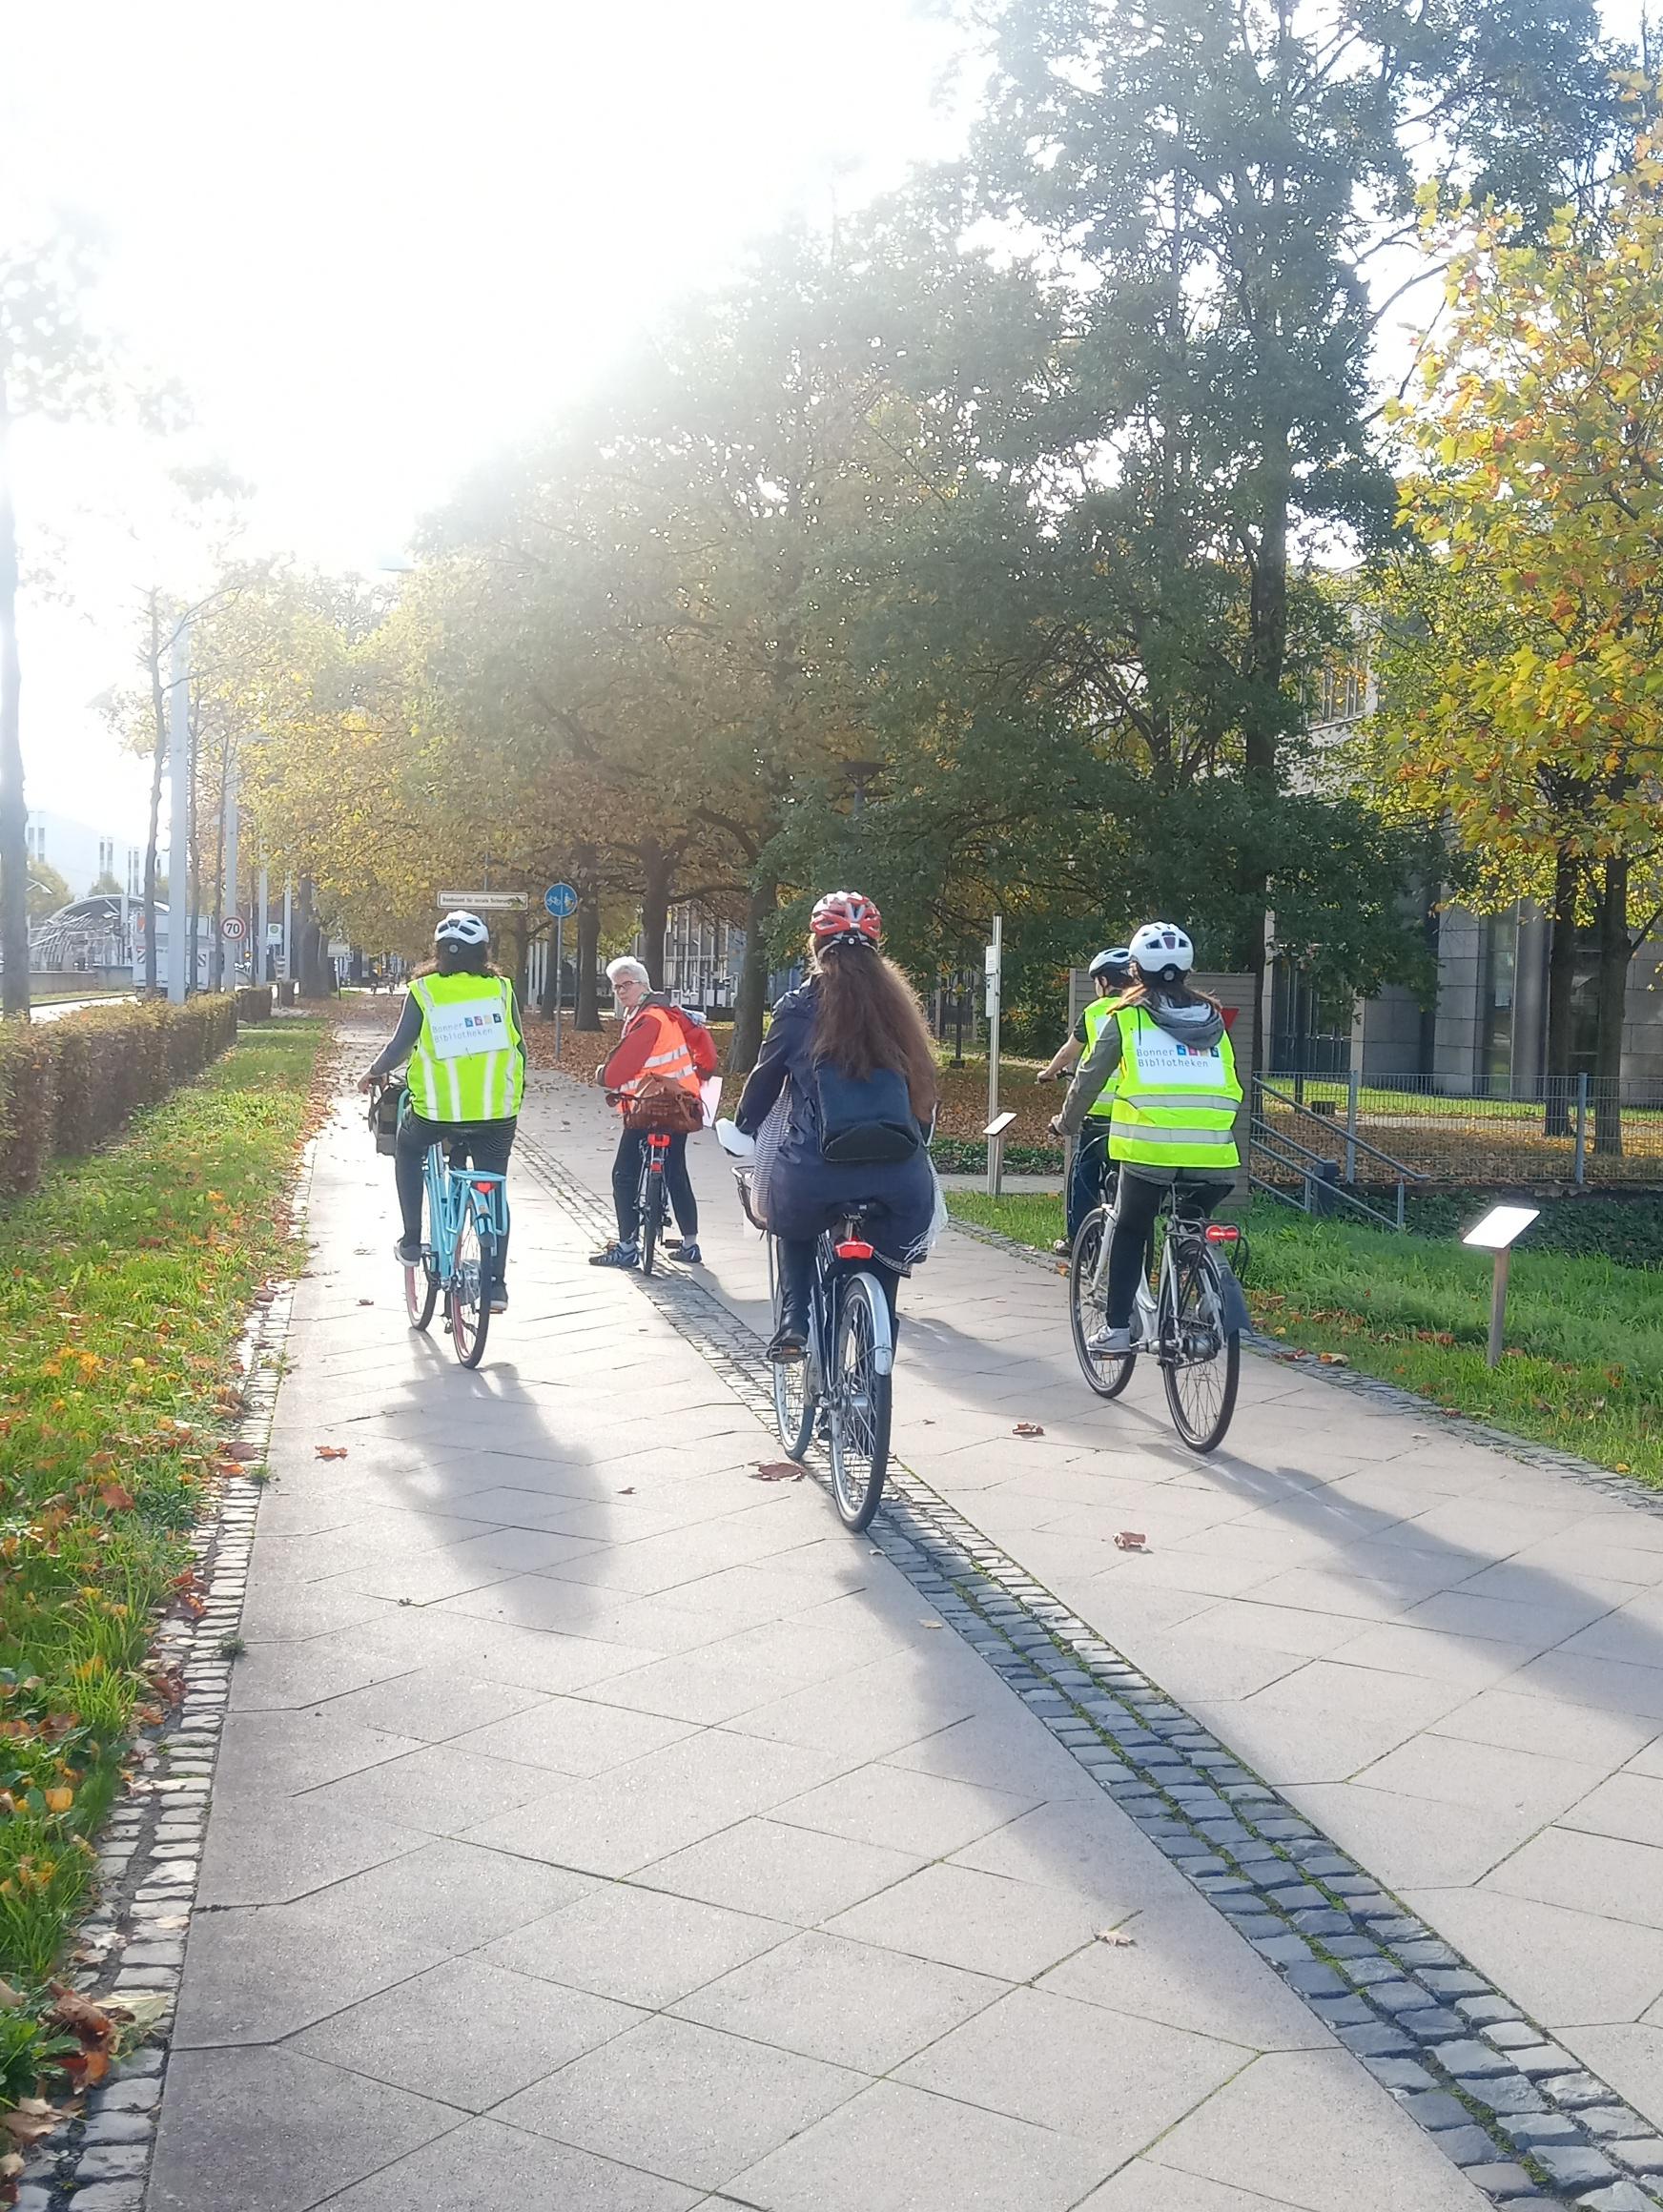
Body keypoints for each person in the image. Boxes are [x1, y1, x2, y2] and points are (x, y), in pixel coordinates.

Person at [734, 891, 937, 1363]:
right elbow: (925, 1092)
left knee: (795, 1225)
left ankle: (794, 1323)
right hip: (900, 1180)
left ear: (815, 946)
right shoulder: (899, 1009)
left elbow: (765, 1083)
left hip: (815, 1172)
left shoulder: (798, 1006)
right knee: (885, 1265)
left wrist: (744, 1125)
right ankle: (877, 1342)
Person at [1052, 921, 1241, 1353]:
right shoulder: (1214, 1020)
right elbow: (1230, 1082)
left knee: (1131, 1227)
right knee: (1191, 1223)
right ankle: (1206, 1302)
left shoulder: (1128, 1018)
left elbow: (1088, 1079)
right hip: (1215, 1156)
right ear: (1188, 971)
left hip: (1149, 1152)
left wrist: (1066, 1123)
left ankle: (1118, 1328)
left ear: (1135, 971)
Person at [358, 911, 525, 1312]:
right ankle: (497, 1285)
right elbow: (520, 1048)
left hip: (436, 1113)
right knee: (495, 1186)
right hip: (496, 1113)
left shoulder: (424, 990)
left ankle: (413, 1241)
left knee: (408, 1149)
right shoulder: (502, 989)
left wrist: (373, 1072)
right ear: (483, 951)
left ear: (439, 953)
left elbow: (400, 1047)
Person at [589, 956, 708, 1268]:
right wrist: (703, 1075)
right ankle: (691, 1243)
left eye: (626, 984)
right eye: (616, 987)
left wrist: (604, 1075)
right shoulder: (669, 1013)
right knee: (676, 1171)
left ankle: (627, 1247)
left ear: (643, 983)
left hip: (650, 1106)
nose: (621, 991)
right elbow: (703, 1048)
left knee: (624, 1174)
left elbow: (621, 1069)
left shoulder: (649, 1019)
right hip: (682, 1104)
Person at [1037, 945, 1132, 1252]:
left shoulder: (1095, 1012)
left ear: (1104, 982)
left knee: (1083, 1175)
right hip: (1131, 1114)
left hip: (1097, 1112)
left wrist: (1049, 1073)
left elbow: (1069, 1052)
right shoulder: (1143, 1012)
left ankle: (1077, 1239)